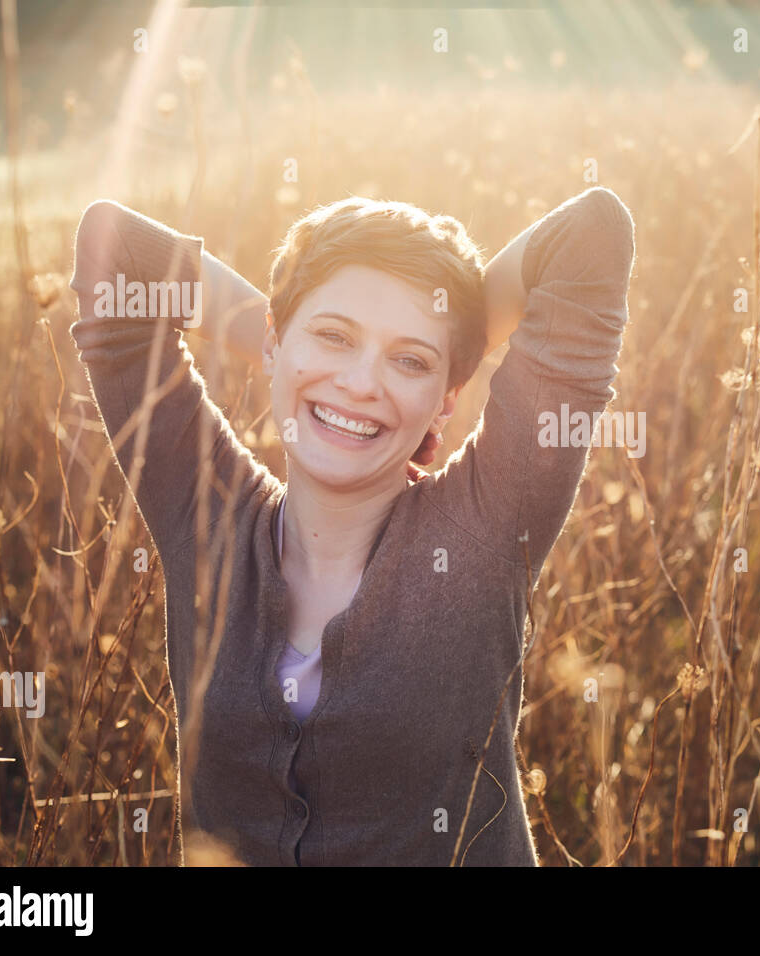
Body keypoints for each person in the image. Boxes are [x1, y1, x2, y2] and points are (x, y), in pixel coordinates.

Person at [67, 185, 635, 865]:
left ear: (448, 400)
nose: (362, 383)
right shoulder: (204, 514)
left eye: (409, 361)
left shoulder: (485, 531)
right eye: (334, 335)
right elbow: (117, 251)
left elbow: (589, 237)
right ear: (276, 340)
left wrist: (436, 348)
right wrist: (292, 356)